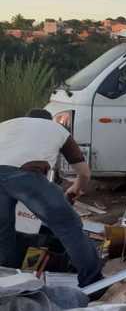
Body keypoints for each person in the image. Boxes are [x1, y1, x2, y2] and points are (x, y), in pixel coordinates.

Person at [0, 109, 103, 287]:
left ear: (26, 118)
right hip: (24, 175)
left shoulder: (7, 124)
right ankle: (93, 283)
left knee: (3, 234)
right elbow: (84, 173)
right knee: (69, 227)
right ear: (50, 121)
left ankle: (8, 283)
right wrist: (76, 188)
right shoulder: (58, 129)